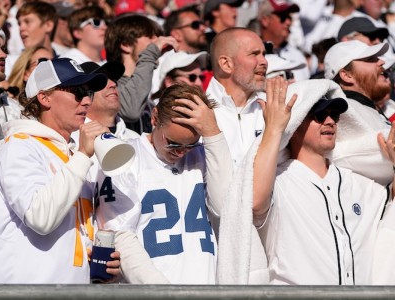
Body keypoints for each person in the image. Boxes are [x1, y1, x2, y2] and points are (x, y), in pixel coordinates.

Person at [253, 80, 394, 285]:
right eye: (319, 115)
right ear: (294, 123)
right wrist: (274, 129)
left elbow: (390, 215)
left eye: (334, 115)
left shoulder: (359, 183)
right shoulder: (278, 182)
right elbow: (255, 202)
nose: (330, 121)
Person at [0, 58, 120, 283]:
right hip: (27, 293)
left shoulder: (74, 153)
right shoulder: (18, 146)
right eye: (77, 92)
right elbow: (40, 217)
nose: (85, 101)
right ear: (44, 97)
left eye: (89, 93)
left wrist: (102, 264)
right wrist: (82, 155)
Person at [95, 83, 233, 284]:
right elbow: (121, 235)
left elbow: (225, 208)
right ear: (154, 118)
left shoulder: (204, 154)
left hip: (206, 285)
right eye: (173, 143)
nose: (181, 152)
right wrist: (162, 291)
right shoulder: (124, 157)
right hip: (153, 291)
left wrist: (212, 133)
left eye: (190, 144)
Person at [324, 40, 393, 185]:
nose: (381, 62)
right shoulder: (343, 113)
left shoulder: (365, 108)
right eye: (370, 59)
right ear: (346, 75)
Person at [104, 14, 177, 134]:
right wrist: (150, 54)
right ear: (126, 45)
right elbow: (131, 110)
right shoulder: (109, 87)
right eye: (150, 37)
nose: (157, 41)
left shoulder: (144, 95)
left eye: (157, 36)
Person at [207, 27, 267, 168]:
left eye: (264, 54)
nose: (264, 61)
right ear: (226, 64)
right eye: (254, 54)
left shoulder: (273, 106)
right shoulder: (196, 110)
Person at [258, 0, 310, 81]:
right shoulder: (252, 55)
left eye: (289, 17)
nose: (288, 22)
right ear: (265, 20)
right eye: (282, 17)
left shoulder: (298, 56)